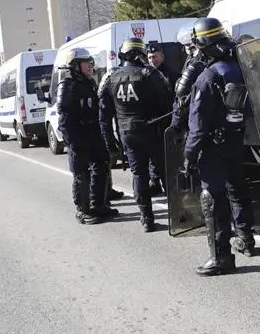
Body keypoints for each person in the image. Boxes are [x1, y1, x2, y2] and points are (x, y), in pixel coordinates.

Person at [183, 17, 255, 275]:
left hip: (212, 150)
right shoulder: (240, 68)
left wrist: (189, 154)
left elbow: (198, 123)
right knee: (237, 189)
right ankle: (246, 238)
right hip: (236, 141)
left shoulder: (207, 77)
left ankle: (220, 257)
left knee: (212, 200)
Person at [99, 37, 174, 232]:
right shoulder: (149, 74)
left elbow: (104, 113)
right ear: (140, 54)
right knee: (165, 172)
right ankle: (176, 215)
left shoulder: (110, 77)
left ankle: (146, 219)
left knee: (138, 175)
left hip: (127, 133)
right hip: (153, 131)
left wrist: (109, 140)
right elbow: (167, 101)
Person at [56, 47, 119, 225]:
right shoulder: (67, 86)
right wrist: (74, 143)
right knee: (81, 174)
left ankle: (98, 205)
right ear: (75, 66)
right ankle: (82, 211)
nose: (90, 66)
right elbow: (65, 120)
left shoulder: (89, 82)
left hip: (93, 134)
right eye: (86, 63)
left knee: (102, 165)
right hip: (78, 137)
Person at [146, 43, 181, 197]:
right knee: (153, 155)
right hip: (152, 121)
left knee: (169, 155)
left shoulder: (172, 75)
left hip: (168, 119)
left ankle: (170, 186)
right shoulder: (145, 74)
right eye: (149, 57)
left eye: (155, 56)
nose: (152, 60)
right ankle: (154, 181)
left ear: (162, 56)